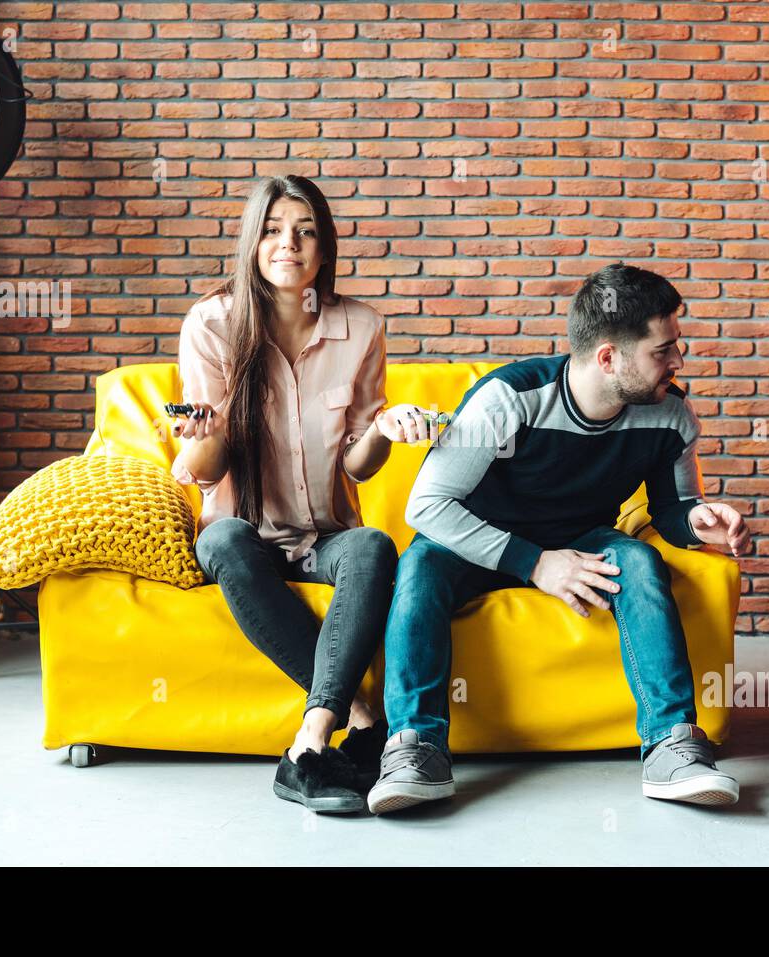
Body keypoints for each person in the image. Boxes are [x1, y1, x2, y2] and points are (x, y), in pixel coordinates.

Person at [368, 262, 752, 815]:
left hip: (579, 536)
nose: (678, 361)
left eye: (677, 346)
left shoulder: (670, 414)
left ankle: (673, 746)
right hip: (473, 537)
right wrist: (536, 563)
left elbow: (671, 507)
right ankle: (415, 748)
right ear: (608, 358)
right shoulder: (508, 398)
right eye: (662, 350)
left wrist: (697, 521)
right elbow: (429, 507)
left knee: (639, 562)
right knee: (419, 570)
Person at [171, 175, 433, 813]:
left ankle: (308, 745)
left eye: (305, 231)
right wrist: (209, 427)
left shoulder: (362, 327)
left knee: (372, 546)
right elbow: (203, 470)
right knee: (226, 540)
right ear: (251, 242)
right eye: (272, 230)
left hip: (326, 537)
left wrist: (381, 431)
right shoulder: (211, 323)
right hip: (244, 536)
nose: (287, 244)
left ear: (325, 248)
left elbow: (358, 465)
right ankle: (362, 719)